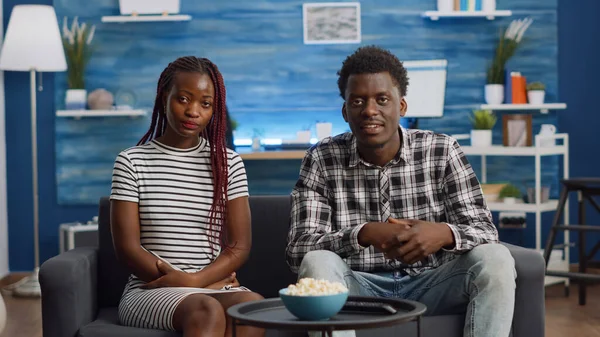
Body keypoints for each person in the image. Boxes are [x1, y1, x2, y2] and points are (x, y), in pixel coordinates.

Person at [285, 46, 516, 337]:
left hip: (433, 284)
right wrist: (363, 233)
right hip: (357, 289)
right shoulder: (321, 159)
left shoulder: (442, 150)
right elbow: (298, 251)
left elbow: (485, 231)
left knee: (495, 258)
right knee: (316, 261)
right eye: (357, 101)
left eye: (382, 99)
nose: (370, 110)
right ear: (345, 111)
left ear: (402, 106)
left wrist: (442, 234)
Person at [110, 56, 264, 337]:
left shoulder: (228, 163)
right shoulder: (131, 161)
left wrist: (195, 280)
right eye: (183, 99)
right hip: (151, 290)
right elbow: (128, 250)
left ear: (213, 110)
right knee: (206, 309)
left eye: (205, 104)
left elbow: (239, 247)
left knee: (253, 307)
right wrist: (196, 285)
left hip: (210, 283)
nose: (193, 111)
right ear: (164, 98)